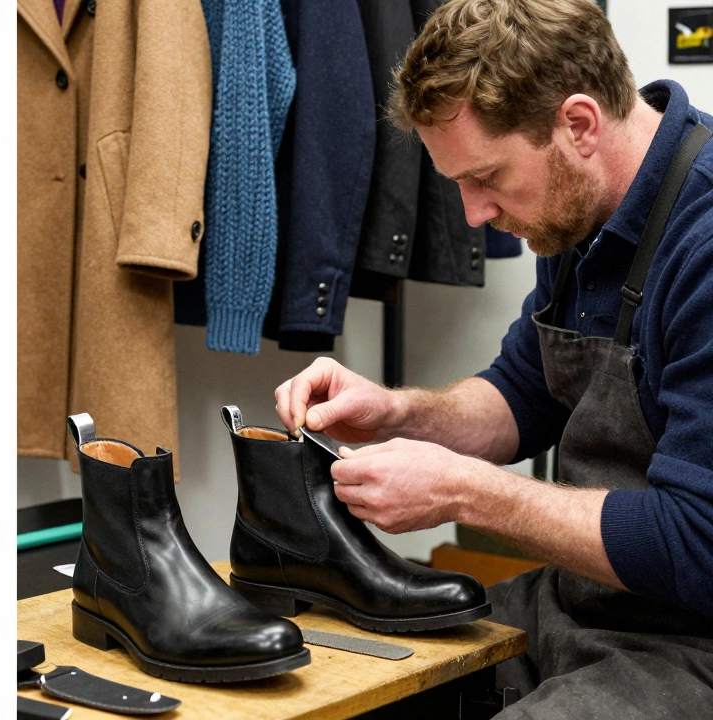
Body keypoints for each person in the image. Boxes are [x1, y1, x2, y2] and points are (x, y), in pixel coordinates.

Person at [274, 0, 713, 716]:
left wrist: (465, 494)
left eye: (486, 177)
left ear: (578, 124)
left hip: (692, 646)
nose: (474, 214)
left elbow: (700, 545)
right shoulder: (579, 211)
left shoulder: (703, 246)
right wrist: (394, 413)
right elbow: (522, 393)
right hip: (577, 607)